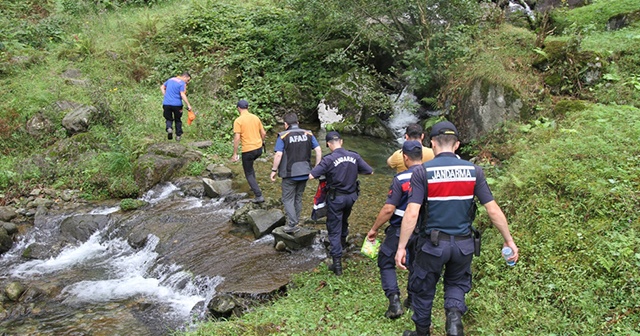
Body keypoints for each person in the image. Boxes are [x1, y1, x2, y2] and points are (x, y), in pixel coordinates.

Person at [395, 121, 519, 336]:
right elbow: (493, 210)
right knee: (456, 284)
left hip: (432, 245)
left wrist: (401, 247)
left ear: (432, 143)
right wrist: (509, 240)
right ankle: (453, 325)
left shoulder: (423, 172)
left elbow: (412, 213)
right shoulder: (474, 171)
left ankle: (422, 333)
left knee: (423, 289)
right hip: (463, 245)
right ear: (457, 144)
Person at [367, 140, 424, 319]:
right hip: (424, 229)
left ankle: (394, 301)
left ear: (405, 158)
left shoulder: (401, 179)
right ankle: (413, 300)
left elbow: (388, 209)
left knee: (386, 260)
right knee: (416, 262)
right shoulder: (431, 176)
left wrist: (374, 228)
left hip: (400, 228)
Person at [309, 131, 373, 275]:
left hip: (336, 198)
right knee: (344, 219)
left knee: (334, 227)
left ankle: (337, 264)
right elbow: (369, 172)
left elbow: (312, 175)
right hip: (351, 197)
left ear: (328, 144)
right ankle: (343, 245)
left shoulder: (328, 159)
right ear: (341, 142)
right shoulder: (354, 156)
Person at [270, 113, 322, 234]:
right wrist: (317, 167)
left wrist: (273, 170)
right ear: (298, 123)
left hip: (289, 173)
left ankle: (292, 224)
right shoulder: (308, 134)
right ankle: (295, 221)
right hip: (305, 172)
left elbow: (278, 154)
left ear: (285, 124)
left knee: (287, 199)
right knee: (298, 197)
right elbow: (318, 150)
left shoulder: (283, 136)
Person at [231, 99, 266, 203]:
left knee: (248, 173)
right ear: (247, 107)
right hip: (258, 149)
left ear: (238, 108)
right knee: (250, 168)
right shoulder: (255, 118)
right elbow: (263, 133)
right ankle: (253, 186)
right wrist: (261, 141)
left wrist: (235, 153)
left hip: (248, 150)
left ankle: (259, 196)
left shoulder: (238, 120)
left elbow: (237, 138)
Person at [160, 72, 192, 142]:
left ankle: (169, 128)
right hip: (177, 105)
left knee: (168, 118)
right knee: (178, 120)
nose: (187, 82)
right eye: (188, 80)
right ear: (185, 77)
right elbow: (182, 94)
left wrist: (165, 95)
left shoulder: (170, 79)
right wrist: (188, 105)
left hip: (166, 104)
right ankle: (178, 136)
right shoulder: (182, 83)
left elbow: (162, 87)